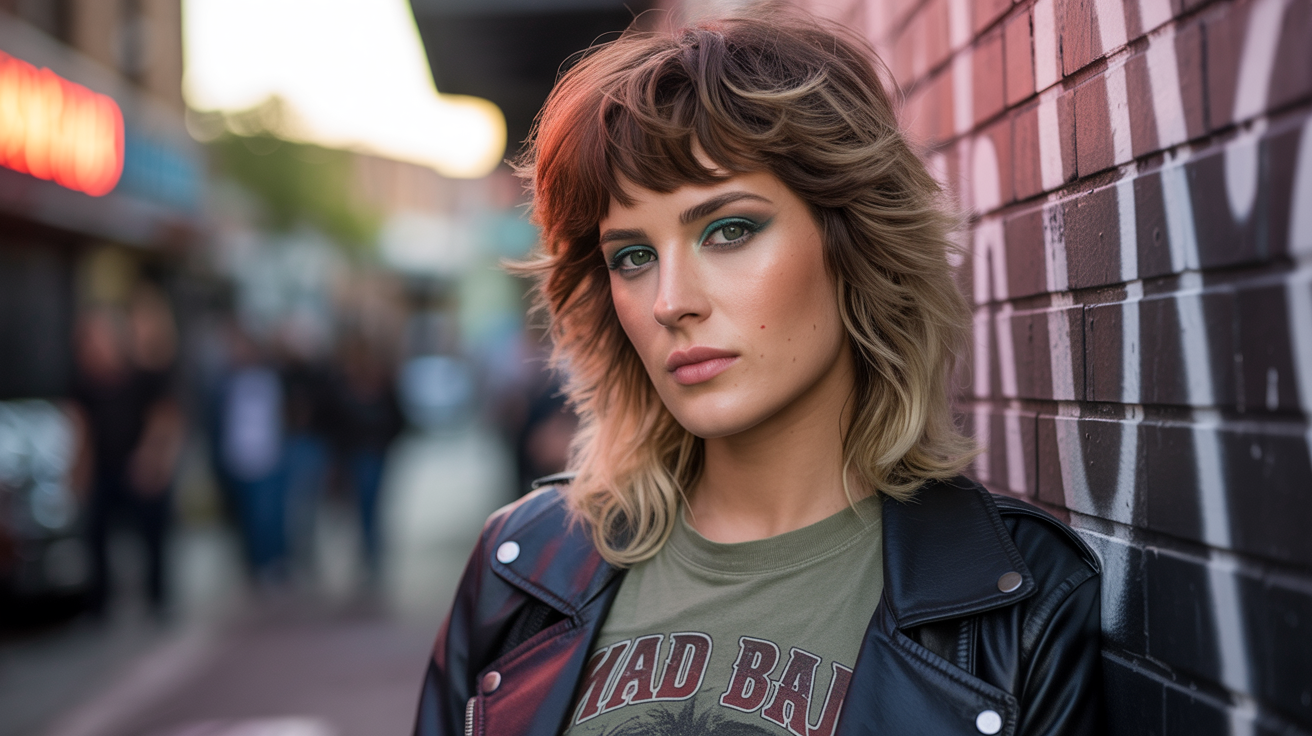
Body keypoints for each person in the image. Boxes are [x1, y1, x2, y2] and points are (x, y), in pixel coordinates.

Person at [414, 10, 1103, 736]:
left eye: (729, 230)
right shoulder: (523, 569)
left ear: (853, 242)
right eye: (633, 256)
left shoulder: (1014, 601)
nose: (672, 302)